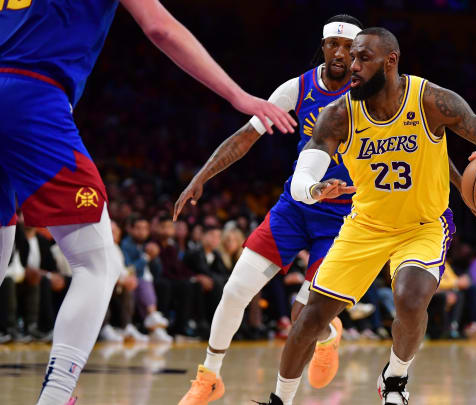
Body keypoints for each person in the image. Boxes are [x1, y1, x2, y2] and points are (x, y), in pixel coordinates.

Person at [0, 1, 294, 402]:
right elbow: (160, 28)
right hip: (30, 97)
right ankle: (57, 396)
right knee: (99, 264)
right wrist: (238, 95)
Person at [257, 27, 476, 405]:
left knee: (411, 300)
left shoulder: (430, 99)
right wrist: (313, 190)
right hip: (365, 225)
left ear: (390, 61)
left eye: (363, 57)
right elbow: (304, 172)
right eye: (351, 58)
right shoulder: (338, 115)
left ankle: (395, 378)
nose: (353, 66)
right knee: (311, 319)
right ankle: (280, 400)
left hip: (423, 226)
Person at [173, 15, 365, 404]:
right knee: (234, 291)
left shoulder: (372, 95)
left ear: (359, 54)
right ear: (324, 47)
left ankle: (327, 335)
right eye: (334, 45)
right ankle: (209, 376)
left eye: (350, 48)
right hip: (295, 206)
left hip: (344, 218)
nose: (341, 54)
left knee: (302, 316)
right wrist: (201, 176)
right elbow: (246, 137)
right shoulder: (298, 88)